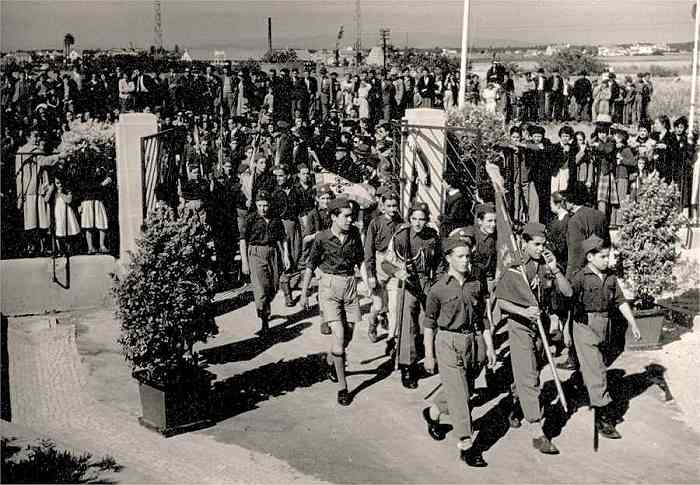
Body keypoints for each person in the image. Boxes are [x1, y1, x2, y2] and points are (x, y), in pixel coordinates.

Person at [495, 222, 572, 455]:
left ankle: (515, 404)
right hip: (520, 325)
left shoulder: (546, 263)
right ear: (524, 242)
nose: (540, 248)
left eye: (543, 244)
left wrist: (555, 269)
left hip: (541, 325)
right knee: (529, 376)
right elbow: (501, 302)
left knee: (533, 370)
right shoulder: (515, 266)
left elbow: (567, 292)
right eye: (536, 244)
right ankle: (538, 432)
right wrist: (523, 311)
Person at [422, 232, 497, 468]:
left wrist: (490, 347)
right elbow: (429, 324)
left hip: (473, 342)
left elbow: (483, 318)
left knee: (465, 389)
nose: (466, 261)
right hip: (447, 341)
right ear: (448, 258)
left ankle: (433, 412)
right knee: (460, 396)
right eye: (460, 256)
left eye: (468, 256)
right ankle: (466, 444)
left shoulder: (476, 284)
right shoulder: (438, 289)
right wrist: (428, 355)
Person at [570, 236, 641, 438]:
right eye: (602, 256)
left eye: (608, 256)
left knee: (597, 364)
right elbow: (567, 300)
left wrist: (633, 323)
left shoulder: (610, 277)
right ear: (590, 257)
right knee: (599, 371)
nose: (607, 260)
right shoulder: (580, 277)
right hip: (584, 326)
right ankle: (603, 417)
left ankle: (577, 384)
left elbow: (620, 301)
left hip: (604, 324)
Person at [301, 198, 365, 406]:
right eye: (346, 216)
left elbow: (360, 260)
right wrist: (304, 294)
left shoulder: (354, 234)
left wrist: (368, 284)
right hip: (329, 287)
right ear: (334, 217)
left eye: (351, 216)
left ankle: (331, 360)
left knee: (349, 334)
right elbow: (310, 265)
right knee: (339, 334)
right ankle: (343, 388)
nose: (350, 219)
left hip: (350, 285)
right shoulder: (322, 237)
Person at [382, 202, 442, 389]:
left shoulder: (433, 236)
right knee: (407, 323)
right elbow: (386, 263)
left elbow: (439, 263)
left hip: (427, 283)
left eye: (421, 219)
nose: (417, 223)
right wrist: (397, 272)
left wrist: (438, 283)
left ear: (427, 220)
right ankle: (407, 366)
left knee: (428, 322)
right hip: (407, 282)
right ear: (409, 219)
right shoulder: (401, 236)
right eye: (414, 219)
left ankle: (427, 356)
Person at [240, 189, 290, 335]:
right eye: (260, 205)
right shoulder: (250, 218)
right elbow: (243, 240)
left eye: (266, 205)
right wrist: (244, 262)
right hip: (256, 253)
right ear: (256, 204)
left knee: (273, 287)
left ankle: (265, 310)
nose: (263, 208)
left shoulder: (275, 219)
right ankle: (264, 322)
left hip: (272, 253)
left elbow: (283, 238)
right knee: (261, 290)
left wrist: (286, 256)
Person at [364, 191, 403, 343]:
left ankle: (392, 338)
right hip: (379, 263)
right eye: (389, 206)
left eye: (395, 205)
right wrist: (370, 274)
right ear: (383, 206)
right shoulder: (376, 223)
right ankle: (372, 324)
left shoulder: (401, 222)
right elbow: (369, 250)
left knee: (394, 305)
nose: (393, 209)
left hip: (394, 264)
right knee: (378, 304)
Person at [271, 164, 303, 307]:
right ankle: (287, 294)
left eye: (281, 175)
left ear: (288, 176)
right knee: (285, 259)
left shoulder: (296, 191)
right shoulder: (275, 193)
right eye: (277, 176)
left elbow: (302, 209)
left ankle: (293, 283)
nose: (278, 178)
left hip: (295, 227)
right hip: (281, 227)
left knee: (296, 257)